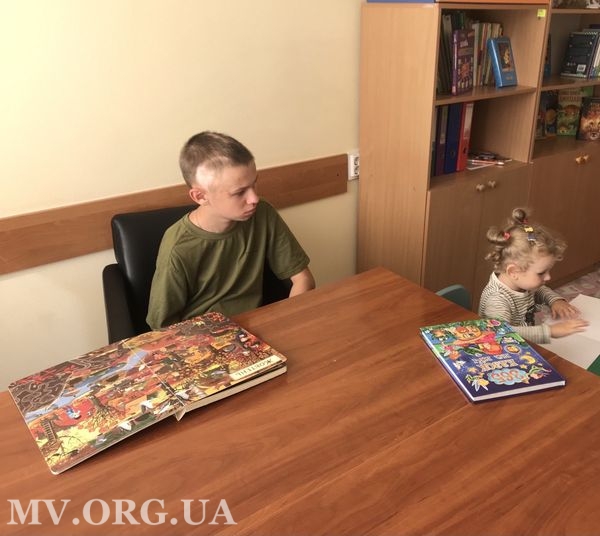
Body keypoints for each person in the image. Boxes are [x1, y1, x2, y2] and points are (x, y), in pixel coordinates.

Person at [146, 131, 315, 329]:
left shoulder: (262, 213)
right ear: (200, 196)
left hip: (258, 328)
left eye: (254, 184)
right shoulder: (178, 247)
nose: (254, 198)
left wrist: (287, 325)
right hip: (203, 337)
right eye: (239, 192)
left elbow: (303, 279)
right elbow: (162, 328)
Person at [478, 207, 588, 344]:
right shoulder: (496, 299)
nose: (548, 277)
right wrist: (550, 331)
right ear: (513, 272)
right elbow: (502, 333)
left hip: (522, 343)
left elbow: (539, 290)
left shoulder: (521, 283)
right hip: (503, 348)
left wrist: (555, 301)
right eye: (541, 273)